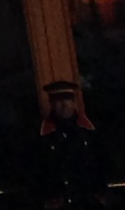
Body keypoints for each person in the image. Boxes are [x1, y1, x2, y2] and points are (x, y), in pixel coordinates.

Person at [27, 80, 103, 210]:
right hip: (57, 202)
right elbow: (34, 170)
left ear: (74, 102)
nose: (63, 105)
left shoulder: (89, 130)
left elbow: (102, 162)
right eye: (58, 100)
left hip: (87, 200)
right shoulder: (40, 135)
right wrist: (47, 195)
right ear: (51, 104)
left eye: (67, 99)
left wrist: (100, 193)